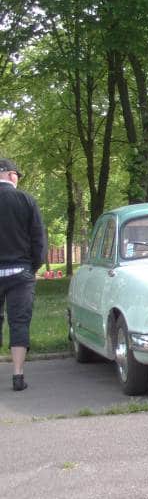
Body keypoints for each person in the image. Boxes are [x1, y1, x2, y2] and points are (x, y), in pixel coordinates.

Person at [0, 158, 47, 391]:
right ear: (10, 175)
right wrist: (33, 267)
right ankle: (17, 376)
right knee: (19, 322)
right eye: (16, 174)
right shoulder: (26, 200)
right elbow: (39, 240)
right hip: (20, 272)